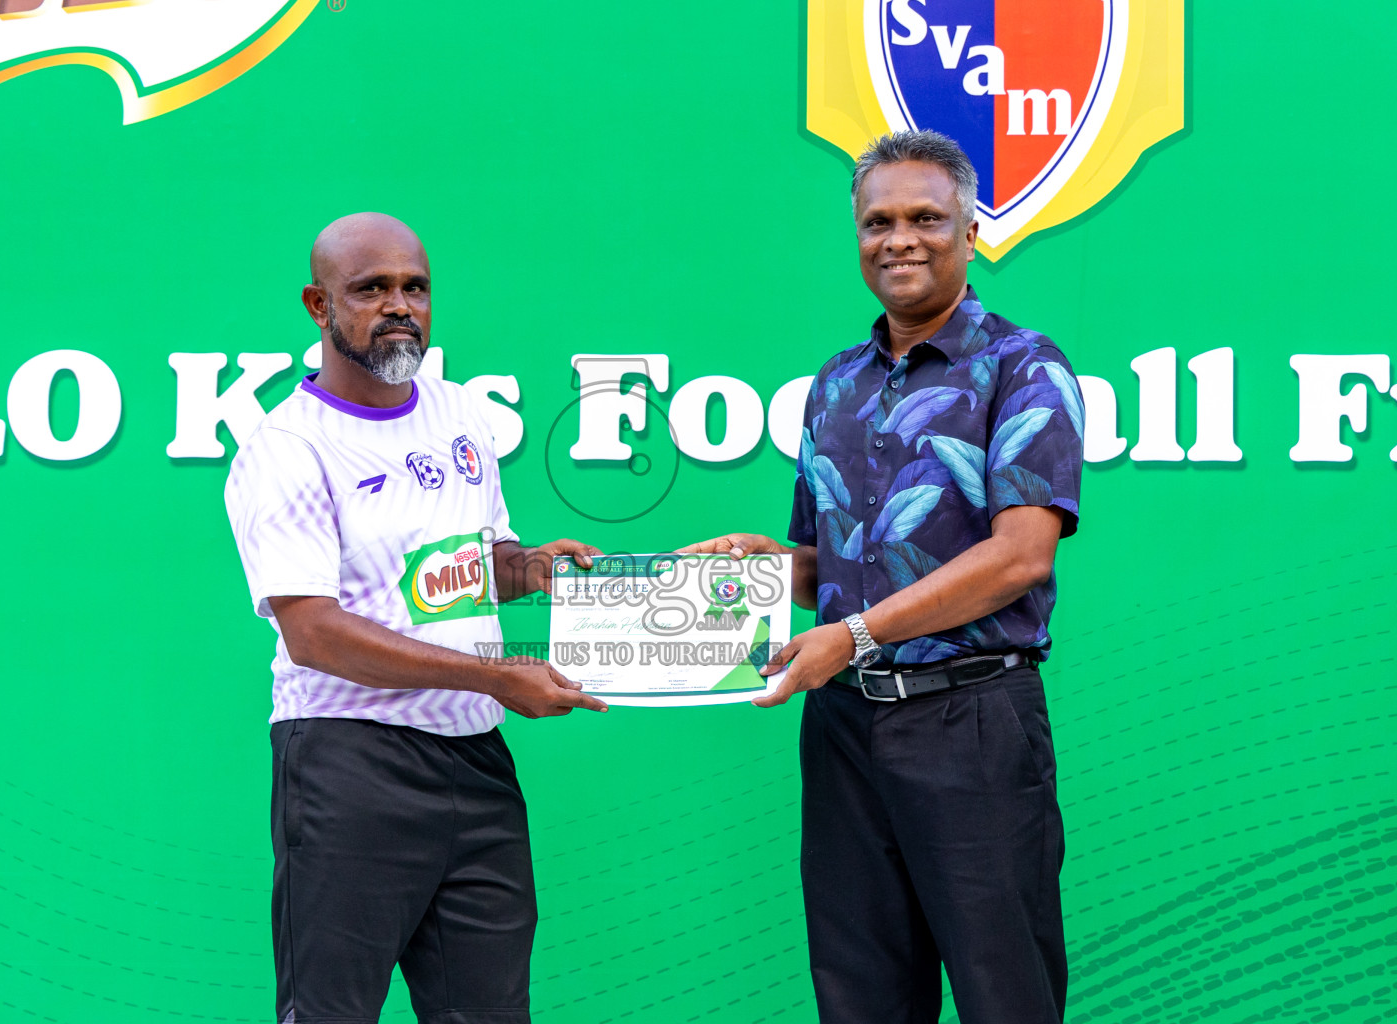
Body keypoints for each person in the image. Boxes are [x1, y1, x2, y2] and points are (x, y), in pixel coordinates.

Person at [681, 131, 1084, 1023]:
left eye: (925, 219)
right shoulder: (835, 386)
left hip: (970, 722)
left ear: (971, 231)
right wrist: (768, 566)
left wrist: (854, 634)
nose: (899, 238)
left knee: (1002, 995)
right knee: (860, 996)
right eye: (878, 222)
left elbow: (1021, 554)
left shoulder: (1023, 366)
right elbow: (844, 575)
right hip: (843, 730)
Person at [224, 212, 606, 1024]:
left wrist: (531, 568)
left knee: (491, 1012)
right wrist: (495, 678)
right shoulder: (286, 446)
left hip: (474, 759)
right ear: (319, 307)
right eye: (371, 289)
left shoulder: (459, 412)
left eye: (415, 288)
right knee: (332, 1012)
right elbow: (313, 632)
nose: (400, 306)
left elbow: (472, 566)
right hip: (349, 763)